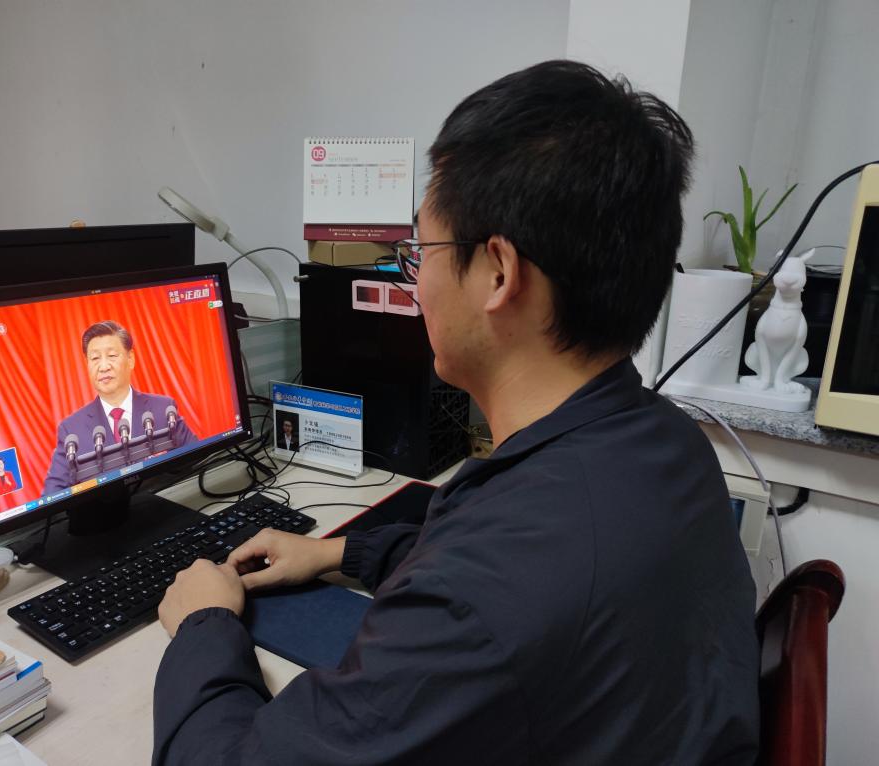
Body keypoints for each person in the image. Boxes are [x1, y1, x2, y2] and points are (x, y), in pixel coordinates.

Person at [152, 61, 760, 765]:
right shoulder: (667, 441)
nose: (416, 283)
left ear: (499, 273)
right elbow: (498, 561)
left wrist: (204, 623)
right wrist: (340, 552)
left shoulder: (479, 597)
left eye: (421, 251)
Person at [42, 321, 197, 493]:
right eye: (95, 358)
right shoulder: (72, 430)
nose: (103, 367)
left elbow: (198, 461)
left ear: (130, 359)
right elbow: (52, 495)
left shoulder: (163, 409)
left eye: (112, 355)